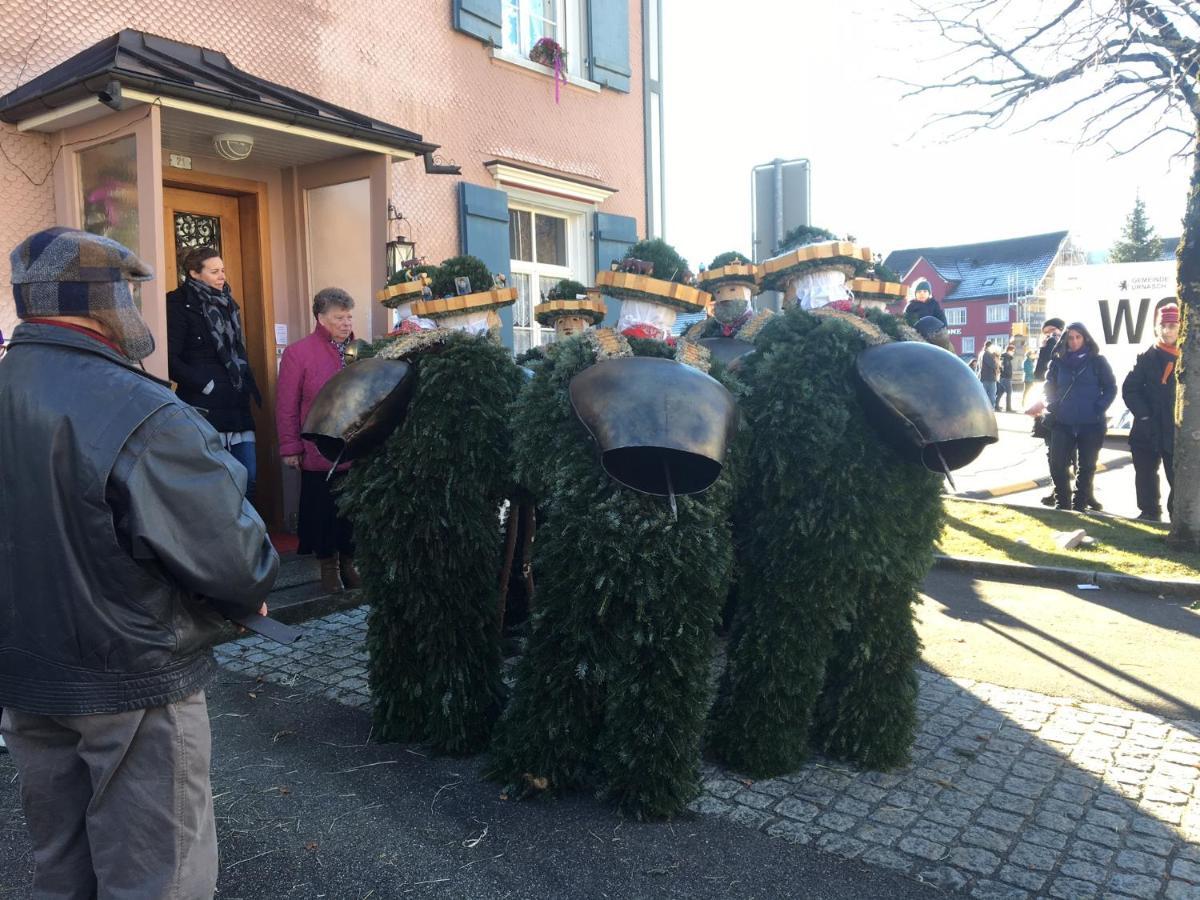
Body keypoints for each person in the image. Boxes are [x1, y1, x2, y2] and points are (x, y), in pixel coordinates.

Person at [0, 227, 278, 897]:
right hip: (132, 677)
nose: (137, 307)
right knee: (160, 876)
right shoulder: (143, 409)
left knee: (62, 868)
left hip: (26, 676)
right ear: (101, 299)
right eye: (127, 291)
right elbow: (235, 558)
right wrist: (247, 594)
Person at [276, 287, 362, 594]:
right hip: (318, 448)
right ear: (321, 317)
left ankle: (350, 563)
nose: (346, 322)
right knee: (324, 511)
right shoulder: (299, 353)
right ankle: (329, 568)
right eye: (339, 317)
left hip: (355, 445)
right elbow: (286, 404)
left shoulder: (361, 350)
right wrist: (290, 447)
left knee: (353, 511)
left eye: (349, 316)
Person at [167, 246, 263, 500]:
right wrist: (205, 385)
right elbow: (169, 358)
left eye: (222, 270)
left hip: (237, 405)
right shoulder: (177, 304)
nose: (222, 276)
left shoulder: (229, 303)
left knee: (248, 478)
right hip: (203, 408)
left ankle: (247, 538)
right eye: (214, 271)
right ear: (194, 273)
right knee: (212, 482)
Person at [1044, 322, 1117, 511]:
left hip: (1090, 422)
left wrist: (1098, 408)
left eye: (1078, 337)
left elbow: (1110, 388)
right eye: (1070, 337)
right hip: (1063, 421)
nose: (1074, 341)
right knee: (1057, 464)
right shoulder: (1057, 361)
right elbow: (1048, 386)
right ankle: (1063, 502)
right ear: (1065, 340)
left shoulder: (1097, 361)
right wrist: (1053, 405)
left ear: (1085, 338)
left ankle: (1080, 503)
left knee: (1086, 466)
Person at [1122, 304, 1179, 521]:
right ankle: (1149, 512)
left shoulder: (1189, 357)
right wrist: (1144, 415)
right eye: (1163, 326)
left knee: (1179, 477)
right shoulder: (1147, 357)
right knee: (1145, 473)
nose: (1167, 331)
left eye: (1172, 326)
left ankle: (1178, 515)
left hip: (1175, 428)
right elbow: (1130, 389)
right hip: (1148, 427)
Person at [1034, 317, 1064, 381]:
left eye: (1052, 329)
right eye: (1046, 333)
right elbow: (1039, 373)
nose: (1050, 334)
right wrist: (1043, 350)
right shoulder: (1046, 347)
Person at [978, 339, 999, 408]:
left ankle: (985, 411)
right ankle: (989, 411)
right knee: (991, 397)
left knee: (984, 396)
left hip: (984, 377)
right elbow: (993, 365)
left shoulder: (982, 353)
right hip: (989, 378)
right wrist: (996, 362)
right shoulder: (987, 354)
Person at [996, 343, 1015, 412]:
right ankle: (1008, 408)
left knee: (1001, 392)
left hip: (1003, 377)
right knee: (1009, 392)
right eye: (1013, 351)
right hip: (1006, 377)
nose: (1013, 353)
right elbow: (1004, 368)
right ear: (1009, 350)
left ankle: (996, 405)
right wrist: (1008, 374)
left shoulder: (1005, 358)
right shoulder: (1006, 358)